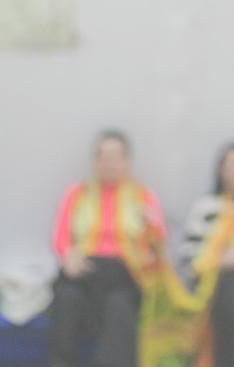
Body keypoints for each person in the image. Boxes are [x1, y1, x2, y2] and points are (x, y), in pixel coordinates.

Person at [48, 129, 167, 367]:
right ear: (95, 161)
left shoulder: (141, 196)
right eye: (103, 157)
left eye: (115, 158)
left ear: (126, 161)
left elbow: (158, 243)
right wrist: (69, 258)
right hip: (86, 270)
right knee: (66, 297)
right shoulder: (78, 194)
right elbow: (61, 238)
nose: (109, 164)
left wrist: (151, 225)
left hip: (125, 273)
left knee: (118, 304)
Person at [177, 142, 234, 367]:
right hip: (210, 287)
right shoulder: (205, 208)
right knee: (228, 286)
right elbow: (187, 255)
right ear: (220, 171)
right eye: (229, 165)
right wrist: (217, 261)